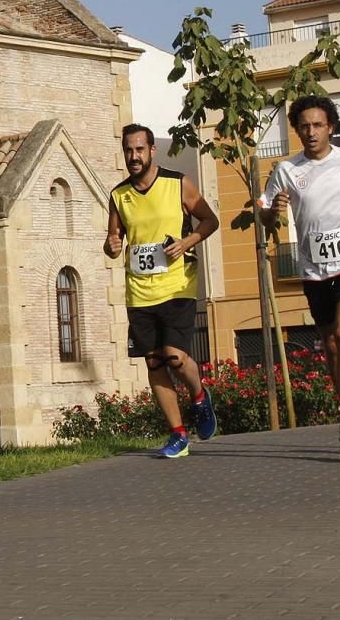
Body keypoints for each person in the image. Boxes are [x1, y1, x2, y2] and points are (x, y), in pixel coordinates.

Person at [260, 95, 340, 455]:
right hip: (313, 266)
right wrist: (273, 211)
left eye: (317, 125)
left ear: (331, 127)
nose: (311, 132)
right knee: (329, 344)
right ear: (296, 130)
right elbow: (265, 214)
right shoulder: (286, 169)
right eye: (304, 126)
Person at [106, 124, 220, 458]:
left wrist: (187, 241)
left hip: (177, 284)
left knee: (174, 355)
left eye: (140, 149)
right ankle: (178, 434)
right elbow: (113, 241)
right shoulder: (118, 195)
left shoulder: (177, 182)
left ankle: (199, 395)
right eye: (128, 150)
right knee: (154, 362)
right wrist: (112, 245)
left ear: (152, 150)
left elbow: (210, 221)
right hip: (139, 291)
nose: (133, 156)